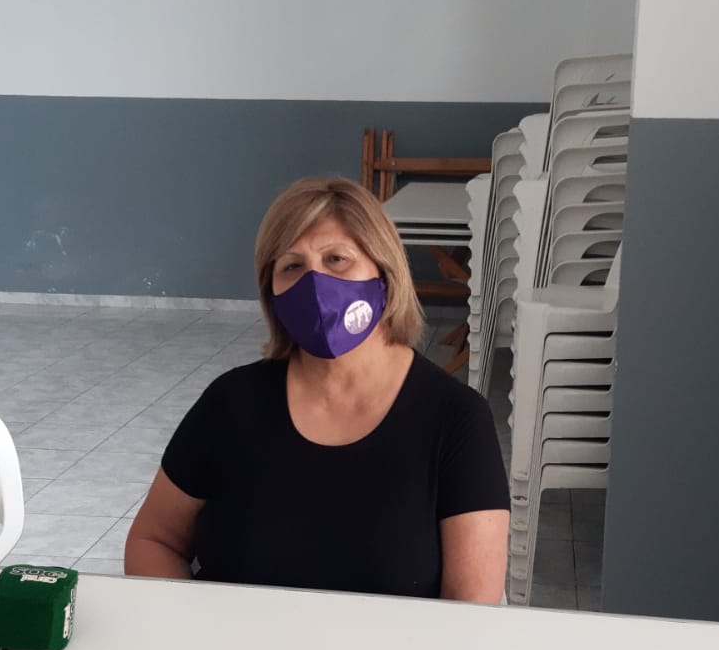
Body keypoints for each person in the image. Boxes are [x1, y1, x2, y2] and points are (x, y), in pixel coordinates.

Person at [124, 177, 509, 602]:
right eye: (292, 267)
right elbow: (153, 541)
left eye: (337, 259)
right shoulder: (231, 403)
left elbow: (472, 610)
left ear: (386, 274)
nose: (315, 283)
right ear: (272, 294)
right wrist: (193, 628)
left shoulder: (456, 419)